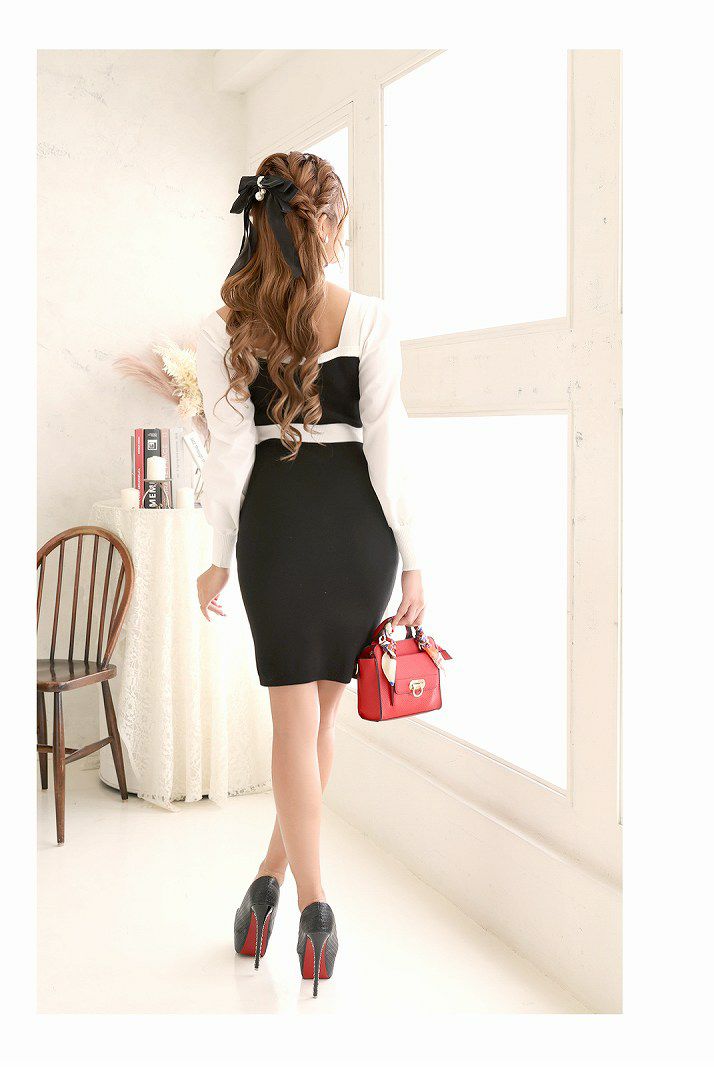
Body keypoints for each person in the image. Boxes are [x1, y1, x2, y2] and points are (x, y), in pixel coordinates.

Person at [194, 151, 424, 996]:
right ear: (324, 223)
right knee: (320, 724)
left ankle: (302, 897)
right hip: (360, 535)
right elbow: (390, 444)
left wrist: (219, 555)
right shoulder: (369, 317)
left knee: (295, 725)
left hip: (279, 530)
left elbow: (228, 456)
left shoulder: (229, 324)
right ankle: (281, 885)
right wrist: (414, 556)